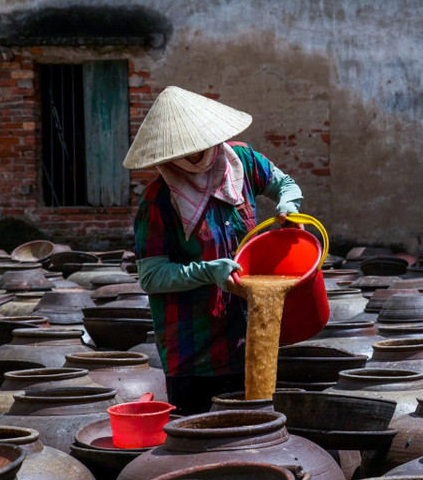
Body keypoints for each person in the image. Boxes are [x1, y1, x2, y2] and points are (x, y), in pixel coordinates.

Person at [123, 85, 303, 415]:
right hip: (193, 350)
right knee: (204, 447)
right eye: (187, 151)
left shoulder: (242, 161)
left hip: (248, 336)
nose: (201, 155)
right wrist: (209, 272)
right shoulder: (160, 198)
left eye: (204, 144)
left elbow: (285, 184)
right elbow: (152, 276)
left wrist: (288, 206)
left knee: (256, 433)